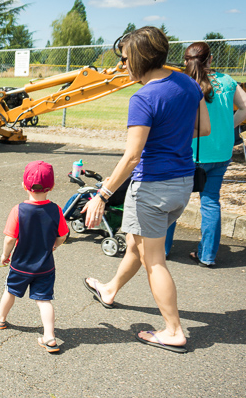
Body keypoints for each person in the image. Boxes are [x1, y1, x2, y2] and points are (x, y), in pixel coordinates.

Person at [81, 26, 210, 354]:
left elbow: (132, 156)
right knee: (137, 244)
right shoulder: (187, 82)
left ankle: (174, 330)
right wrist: (171, 138)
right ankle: (109, 290)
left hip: (152, 187)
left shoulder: (144, 97)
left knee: (154, 261)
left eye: (125, 59)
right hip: (181, 185)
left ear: (139, 57)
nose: (123, 65)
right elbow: (204, 127)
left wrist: (102, 194)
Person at [164, 41, 246, 267]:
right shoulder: (227, 81)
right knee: (211, 202)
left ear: (186, 60)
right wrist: (228, 126)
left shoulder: (183, 83)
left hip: (189, 152)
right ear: (211, 60)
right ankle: (207, 256)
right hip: (220, 152)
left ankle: (162, 249)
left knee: (172, 202)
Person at [0, 161, 69, 352]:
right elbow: (63, 235)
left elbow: (9, 239)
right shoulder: (56, 210)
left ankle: (0, 318)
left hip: (21, 264)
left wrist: (5, 255)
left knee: (10, 291)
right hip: (45, 266)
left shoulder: (19, 210)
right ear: (53, 185)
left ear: (24, 185)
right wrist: (55, 245)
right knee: (44, 300)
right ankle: (49, 336)